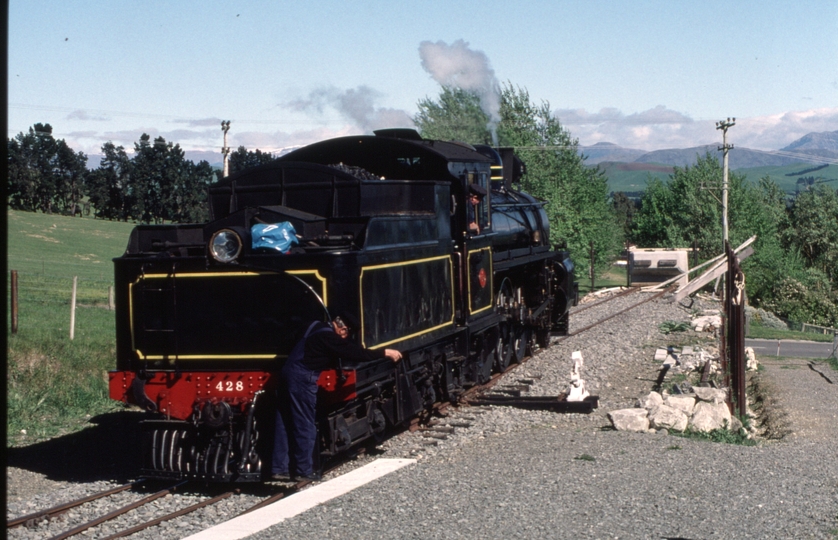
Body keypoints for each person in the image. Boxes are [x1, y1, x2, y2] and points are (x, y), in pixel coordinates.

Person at [272, 314, 402, 481]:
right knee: (305, 424)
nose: (345, 336)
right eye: (346, 332)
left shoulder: (313, 325)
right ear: (341, 327)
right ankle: (303, 470)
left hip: (286, 374)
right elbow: (354, 353)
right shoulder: (327, 336)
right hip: (303, 379)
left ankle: (279, 468)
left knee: (283, 422)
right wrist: (384, 352)